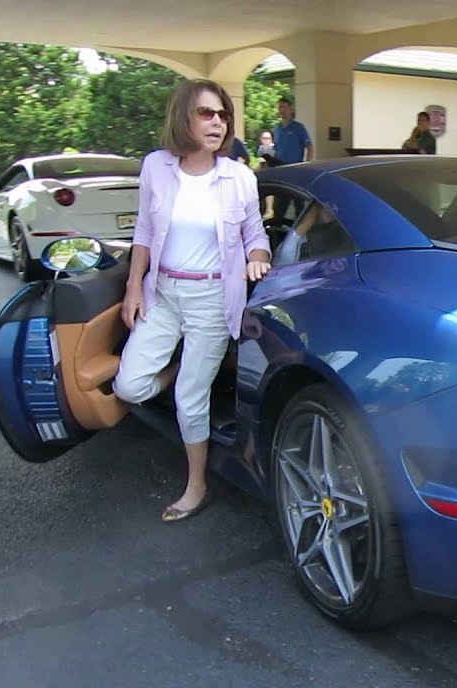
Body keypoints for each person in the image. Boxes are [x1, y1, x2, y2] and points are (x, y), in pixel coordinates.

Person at [112, 79, 271, 523]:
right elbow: (144, 230)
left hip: (212, 297)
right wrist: (132, 286)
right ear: (184, 117)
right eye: (206, 113)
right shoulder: (156, 167)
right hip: (162, 293)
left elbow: (255, 235)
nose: (217, 122)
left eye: (222, 115)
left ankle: (195, 485)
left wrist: (257, 258)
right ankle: (185, 366)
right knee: (129, 386)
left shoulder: (238, 177)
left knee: (189, 400)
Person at [273, 98, 313, 165]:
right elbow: (276, 149)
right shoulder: (277, 129)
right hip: (280, 166)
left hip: (295, 166)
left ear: (290, 109)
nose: (282, 110)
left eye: (285, 107)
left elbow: (310, 147)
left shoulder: (298, 127)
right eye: (280, 107)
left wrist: (306, 164)